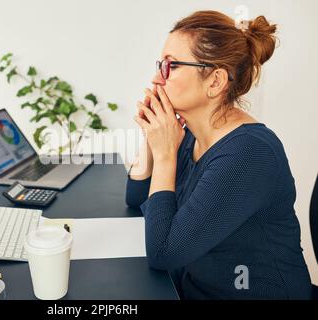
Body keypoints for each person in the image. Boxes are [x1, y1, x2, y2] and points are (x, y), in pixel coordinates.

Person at [126, 10, 312, 299]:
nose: (156, 78)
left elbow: (163, 252)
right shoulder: (190, 135)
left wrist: (165, 156)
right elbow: (137, 199)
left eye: (170, 66)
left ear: (215, 81)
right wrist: (153, 137)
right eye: (160, 64)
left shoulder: (249, 153)